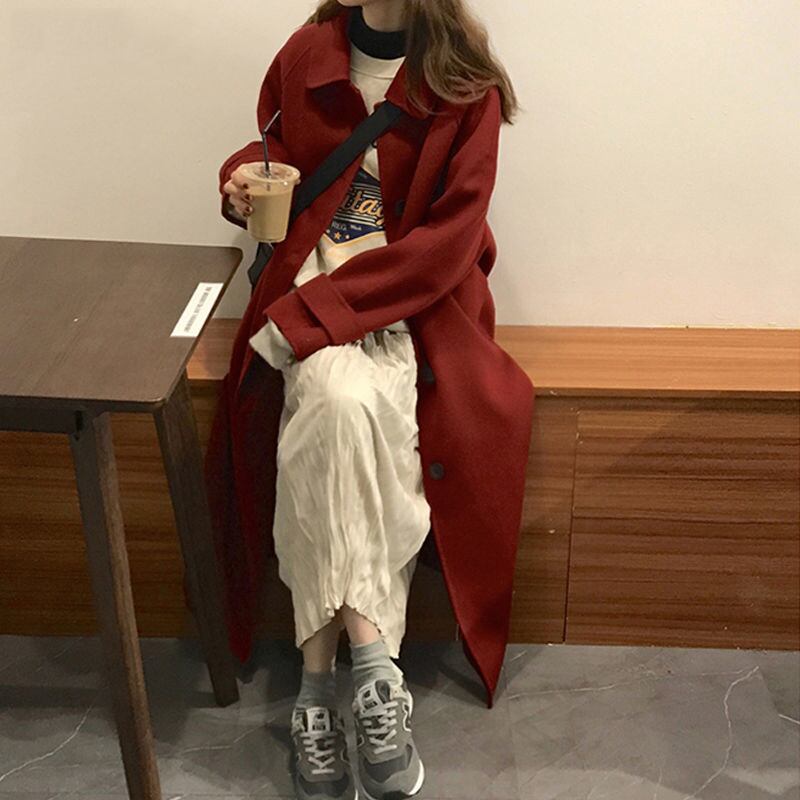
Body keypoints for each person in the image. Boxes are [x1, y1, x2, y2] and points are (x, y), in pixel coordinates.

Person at [217, 2, 522, 799]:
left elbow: (446, 246)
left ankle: (317, 691)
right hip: (310, 289)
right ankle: (375, 674)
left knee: (339, 410)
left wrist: (311, 319)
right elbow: (276, 151)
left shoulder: (466, 85)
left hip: (411, 307)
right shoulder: (307, 53)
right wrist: (242, 177)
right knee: (342, 406)